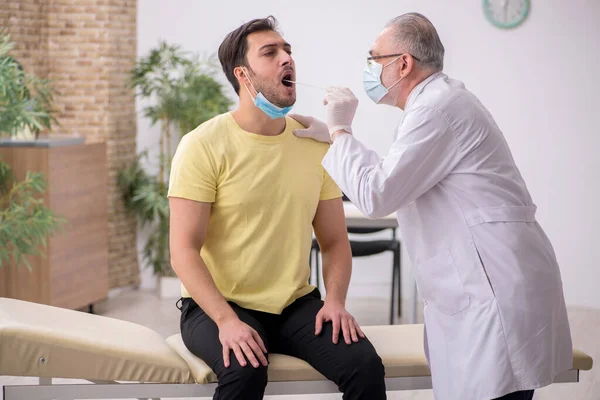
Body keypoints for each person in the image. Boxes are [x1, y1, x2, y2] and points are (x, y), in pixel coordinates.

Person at [291, 12, 573, 400]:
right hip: (491, 279)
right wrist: (337, 141)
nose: (369, 69)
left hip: (493, 288)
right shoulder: (438, 104)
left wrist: (340, 131)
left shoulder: (435, 110)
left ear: (403, 63)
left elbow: (377, 196)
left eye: (374, 59)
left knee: (497, 389)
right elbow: (397, 176)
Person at [167, 15, 386, 400]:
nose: (287, 58)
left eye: (288, 50)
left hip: (293, 304)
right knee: (244, 372)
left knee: (364, 367)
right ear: (243, 75)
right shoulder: (202, 145)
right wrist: (225, 320)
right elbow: (183, 250)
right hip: (216, 304)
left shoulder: (315, 145)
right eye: (270, 53)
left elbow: (334, 241)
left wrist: (335, 302)